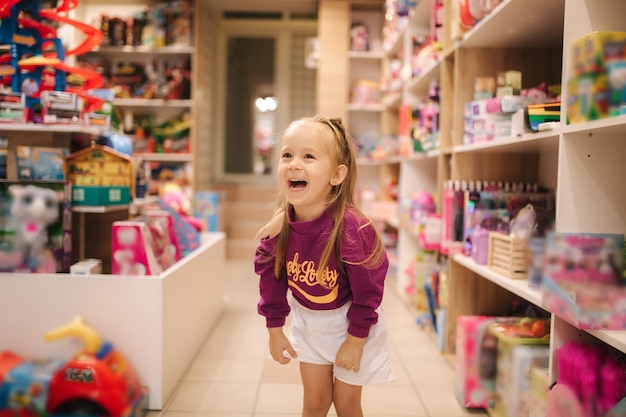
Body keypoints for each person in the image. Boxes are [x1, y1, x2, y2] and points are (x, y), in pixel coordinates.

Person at [254, 115, 395, 417]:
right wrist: (275, 330)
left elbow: (369, 293)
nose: (293, 163)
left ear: (336, 175)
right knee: (315, 403)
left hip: (353, 323)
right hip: (311, 323)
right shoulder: (279, 230)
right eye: (287, 154)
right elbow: (271, 280)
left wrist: (356, 341)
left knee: (346, 405)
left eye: (308, 156)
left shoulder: (353, 230)